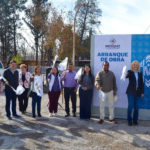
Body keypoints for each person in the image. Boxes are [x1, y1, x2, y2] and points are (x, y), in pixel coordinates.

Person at [126, 61, 144, 126]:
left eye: (136, 65)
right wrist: (126, 75)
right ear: (132, 66)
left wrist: (142, 92)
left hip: (138, 92)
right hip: (131, 92)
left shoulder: (140, 73)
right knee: (130, 106)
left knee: (136, 107)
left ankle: (135, 120)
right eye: (134, 65)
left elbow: (141, 83)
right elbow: (127, 75)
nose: (135, 66)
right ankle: (129, 121)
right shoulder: (130, 72)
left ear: (138, 66)